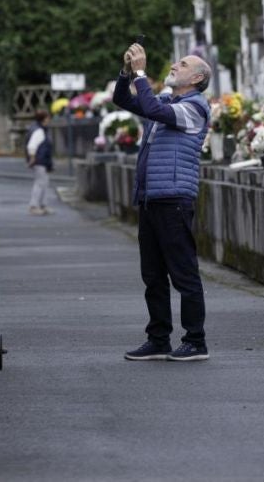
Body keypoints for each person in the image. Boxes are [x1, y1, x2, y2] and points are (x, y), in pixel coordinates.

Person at [113, 44, 212, 362]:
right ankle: (158, 339)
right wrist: (126, 73)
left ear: (196, 78)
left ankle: (195, 341)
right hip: (152, 199)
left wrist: (142, 74)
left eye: (182, 64)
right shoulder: (168, 102)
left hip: (174, 200)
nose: (174, 64)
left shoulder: (194, 107)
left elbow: (153, 111)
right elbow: (123, 99)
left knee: (184, 273)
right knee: (153, 275)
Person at [25, 109, 54, 215]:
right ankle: (34, 206)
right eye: (48, 117)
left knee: (44, 182)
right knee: (40, 183)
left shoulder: (40, 129)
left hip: (41, 161)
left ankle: (43, 204)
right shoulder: (39, 131)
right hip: (39, 161)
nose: (49, 119)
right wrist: (32, 158)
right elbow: (31, 146)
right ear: (44, 119)